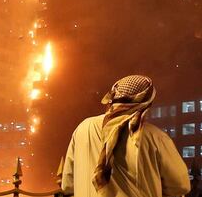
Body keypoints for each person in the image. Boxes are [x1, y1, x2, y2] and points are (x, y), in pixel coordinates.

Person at [62, 75, 190, 197]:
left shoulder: (83, 128)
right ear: (146, 105)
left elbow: (68, 184)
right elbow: (180, 185)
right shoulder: (156, 137)